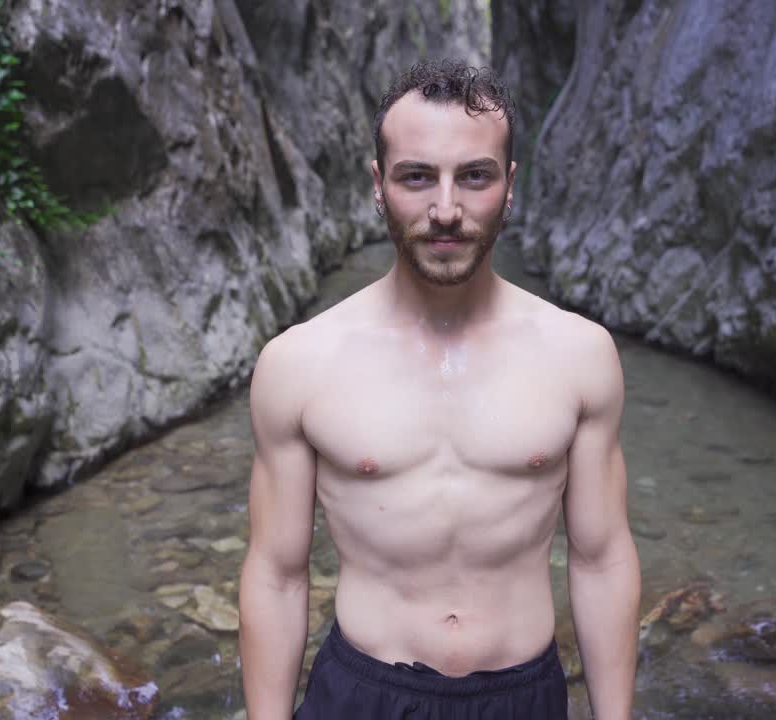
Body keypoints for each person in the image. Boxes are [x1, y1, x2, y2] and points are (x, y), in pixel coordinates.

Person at [239, 58, 641, 719]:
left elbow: (601, 559)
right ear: (379, 185)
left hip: (521, 698)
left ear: (510, 186)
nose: (446, 210)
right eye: (417, 177)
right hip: (362, 696)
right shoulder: (299, 363)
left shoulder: (580, 355)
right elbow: (276, 575)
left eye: (475, 176)